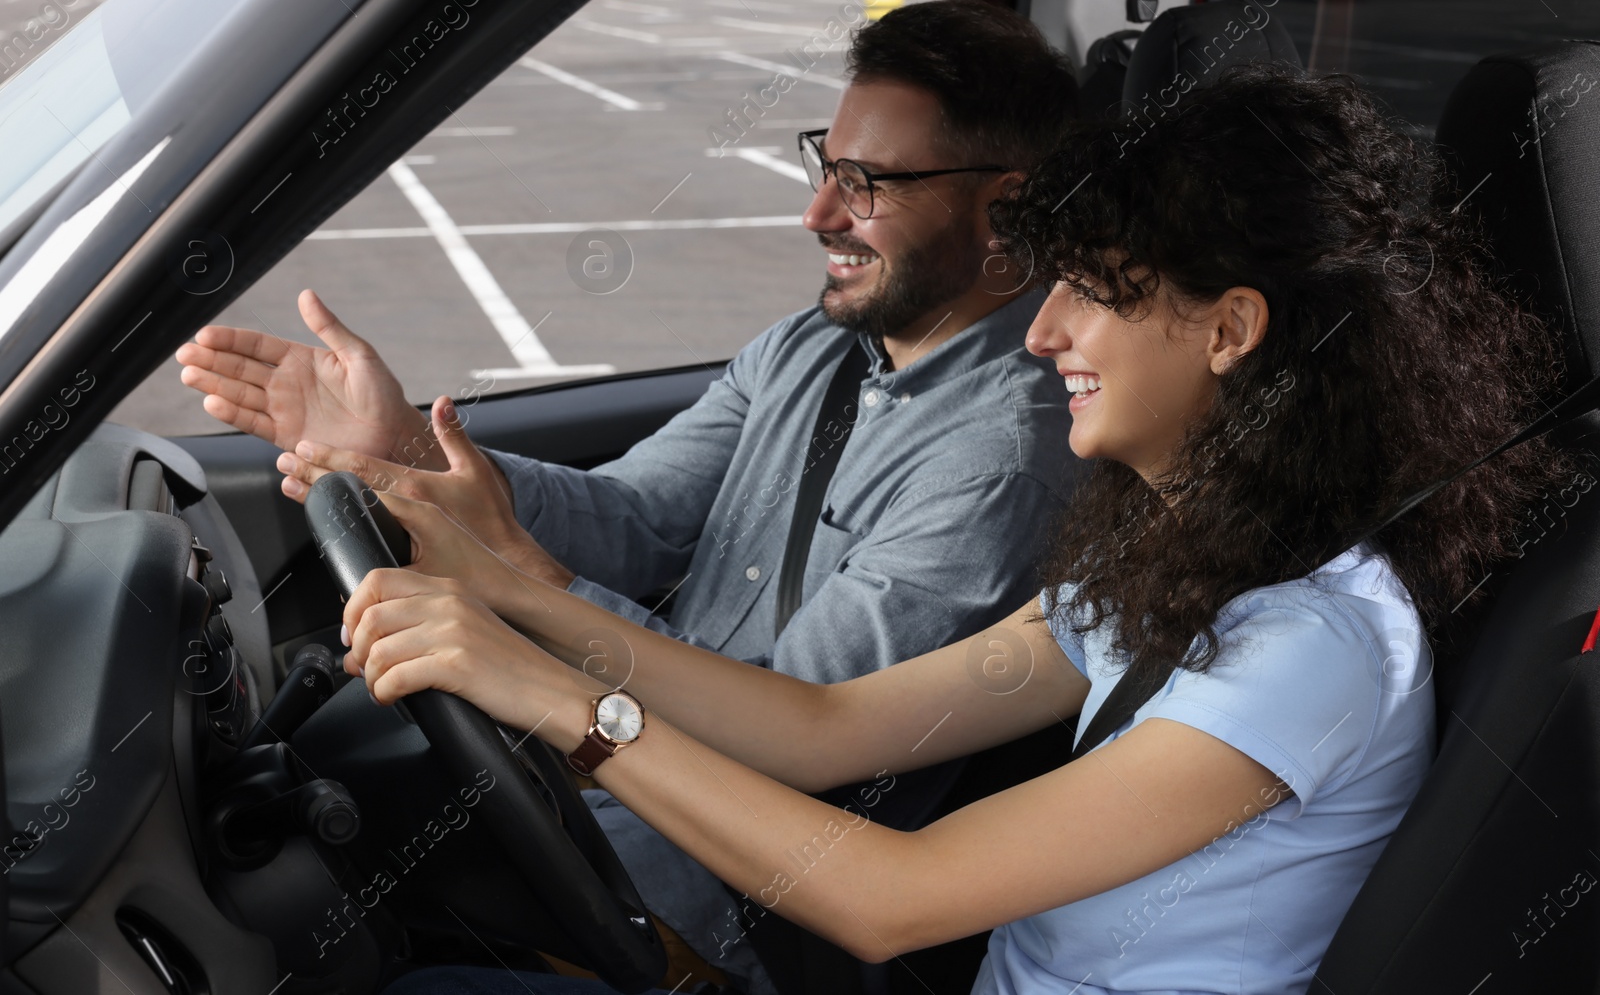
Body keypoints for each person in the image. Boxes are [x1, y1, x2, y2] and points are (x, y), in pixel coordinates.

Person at [327, 66, 1579, 995]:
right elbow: (822, 731)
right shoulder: (1175, 556)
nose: (1041, 335)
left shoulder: (1309, 642)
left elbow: (891, 901)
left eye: (1087, 293)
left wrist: (556, 700)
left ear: (1228, 328)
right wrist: (520, 599)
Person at [175, 0, 1083, 992]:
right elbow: (638, 514)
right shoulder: (814, 348)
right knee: (293, 830)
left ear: (1003, 206)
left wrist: (531, 586)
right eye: (826, 163)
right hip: (603, 791)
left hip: (713, 915)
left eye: (867, 184)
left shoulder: (1003, 459)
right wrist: (400, 446)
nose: (818, 213)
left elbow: (795, 739)